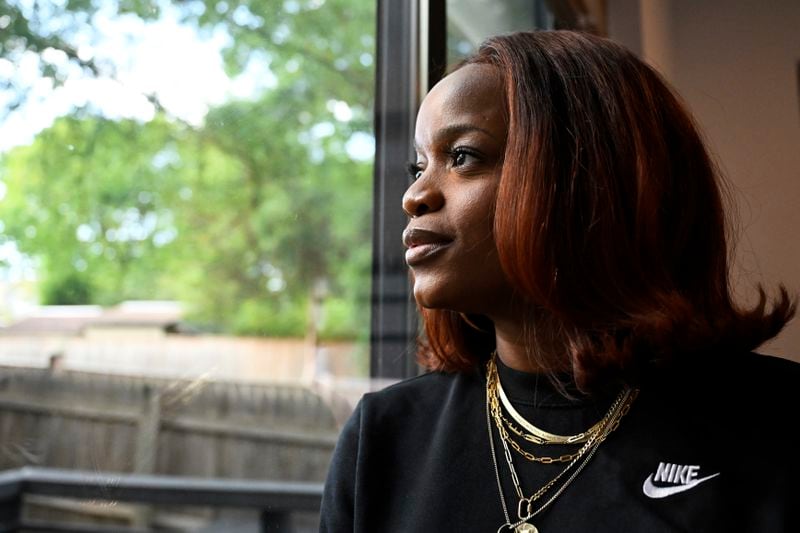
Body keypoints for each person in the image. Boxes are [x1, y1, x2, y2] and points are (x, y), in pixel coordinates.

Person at [320, 30, 798, 532]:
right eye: (420, 165)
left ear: (588, 179)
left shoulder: (779, 428)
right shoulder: (383, 438)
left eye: (462, 156)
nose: (414, 195)